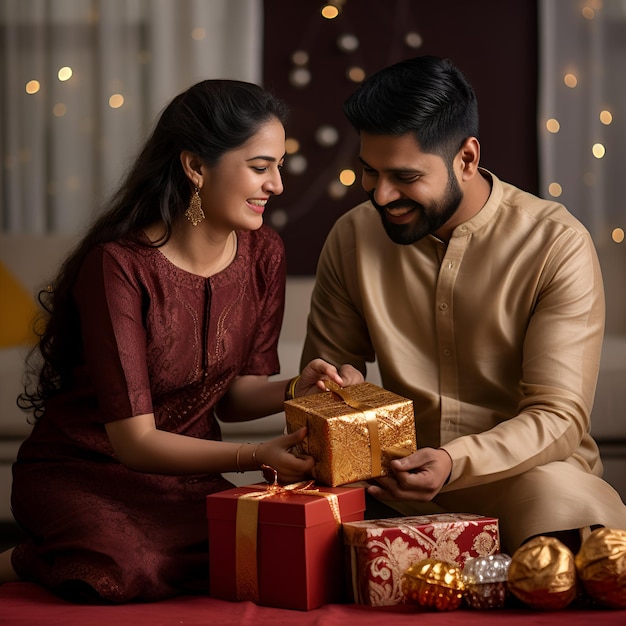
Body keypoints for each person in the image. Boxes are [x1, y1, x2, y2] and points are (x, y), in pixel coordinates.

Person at [0, 79, 359, 603]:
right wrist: (256, 454)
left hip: (185, 480)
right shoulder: (119, 267)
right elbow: (134, 442)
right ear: (195, 167)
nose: (277, 185)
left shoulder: (264, 254)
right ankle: (27, 557)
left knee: (262, 548)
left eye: (279, 166)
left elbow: (235, 398)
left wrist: (299, 388)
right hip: (85, 470)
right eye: (261, 167)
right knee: (127, 568)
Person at [301, 55, 626, 556]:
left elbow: (558, 416)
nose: (381, 195)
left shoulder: (555, 243)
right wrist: (335, 396)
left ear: (467, 158)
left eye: (404, 177)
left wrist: (453, 461)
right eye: (369, 172)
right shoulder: (352, 237)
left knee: (566, 507)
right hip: (394, 484)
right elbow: (325, 378)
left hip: (522, 481)